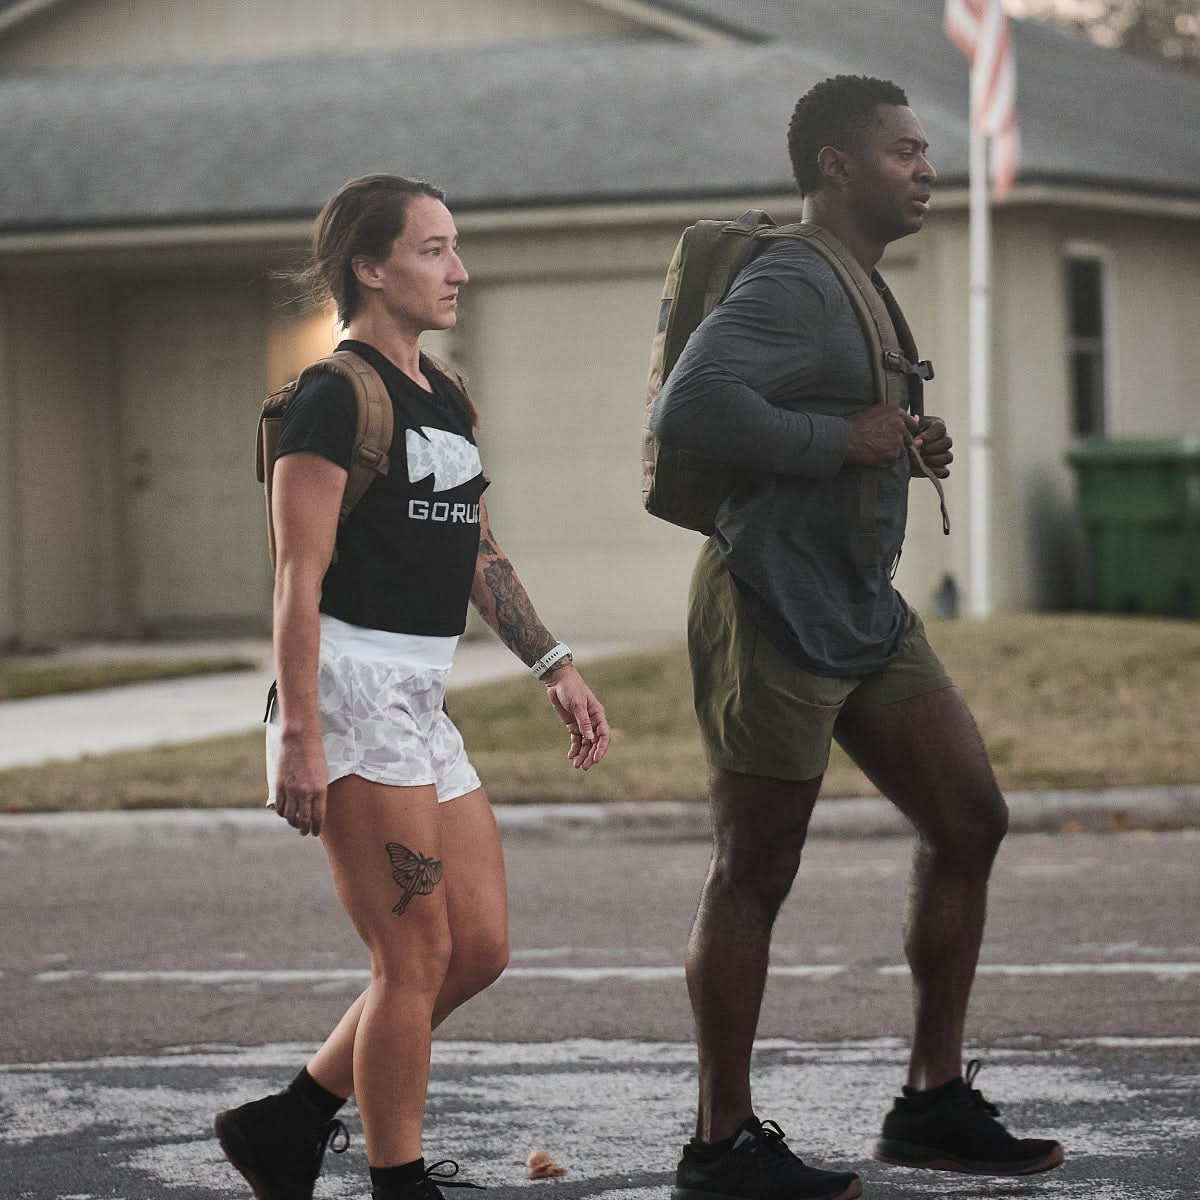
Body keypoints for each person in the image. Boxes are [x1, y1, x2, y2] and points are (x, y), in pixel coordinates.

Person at [651, 76, 1064, 1200]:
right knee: (757, 870)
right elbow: (688, 411)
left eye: (927, 151)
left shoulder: (867, 289)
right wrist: (844, 437)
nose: (926, 167)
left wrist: (896, 435)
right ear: (835, 166)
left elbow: (843, 424)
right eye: (903, 151)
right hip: (769, 604)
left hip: (862, 605)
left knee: (969, 816)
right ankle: (719, 1144)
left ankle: (930, 1102)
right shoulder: (793, 277)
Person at [213, 174, 610, 1200]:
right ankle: (399, 1182)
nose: (458, 270)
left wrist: (551, 663)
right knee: (414, 952)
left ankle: (288, 1123)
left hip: (420, 698)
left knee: (476, 947)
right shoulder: (330, 395)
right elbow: (297, 577)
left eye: (456, 247)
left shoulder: (444, 395)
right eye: (434, 249)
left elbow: (476, 548)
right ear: (371, 266)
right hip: (347, 690)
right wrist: (301, 733)